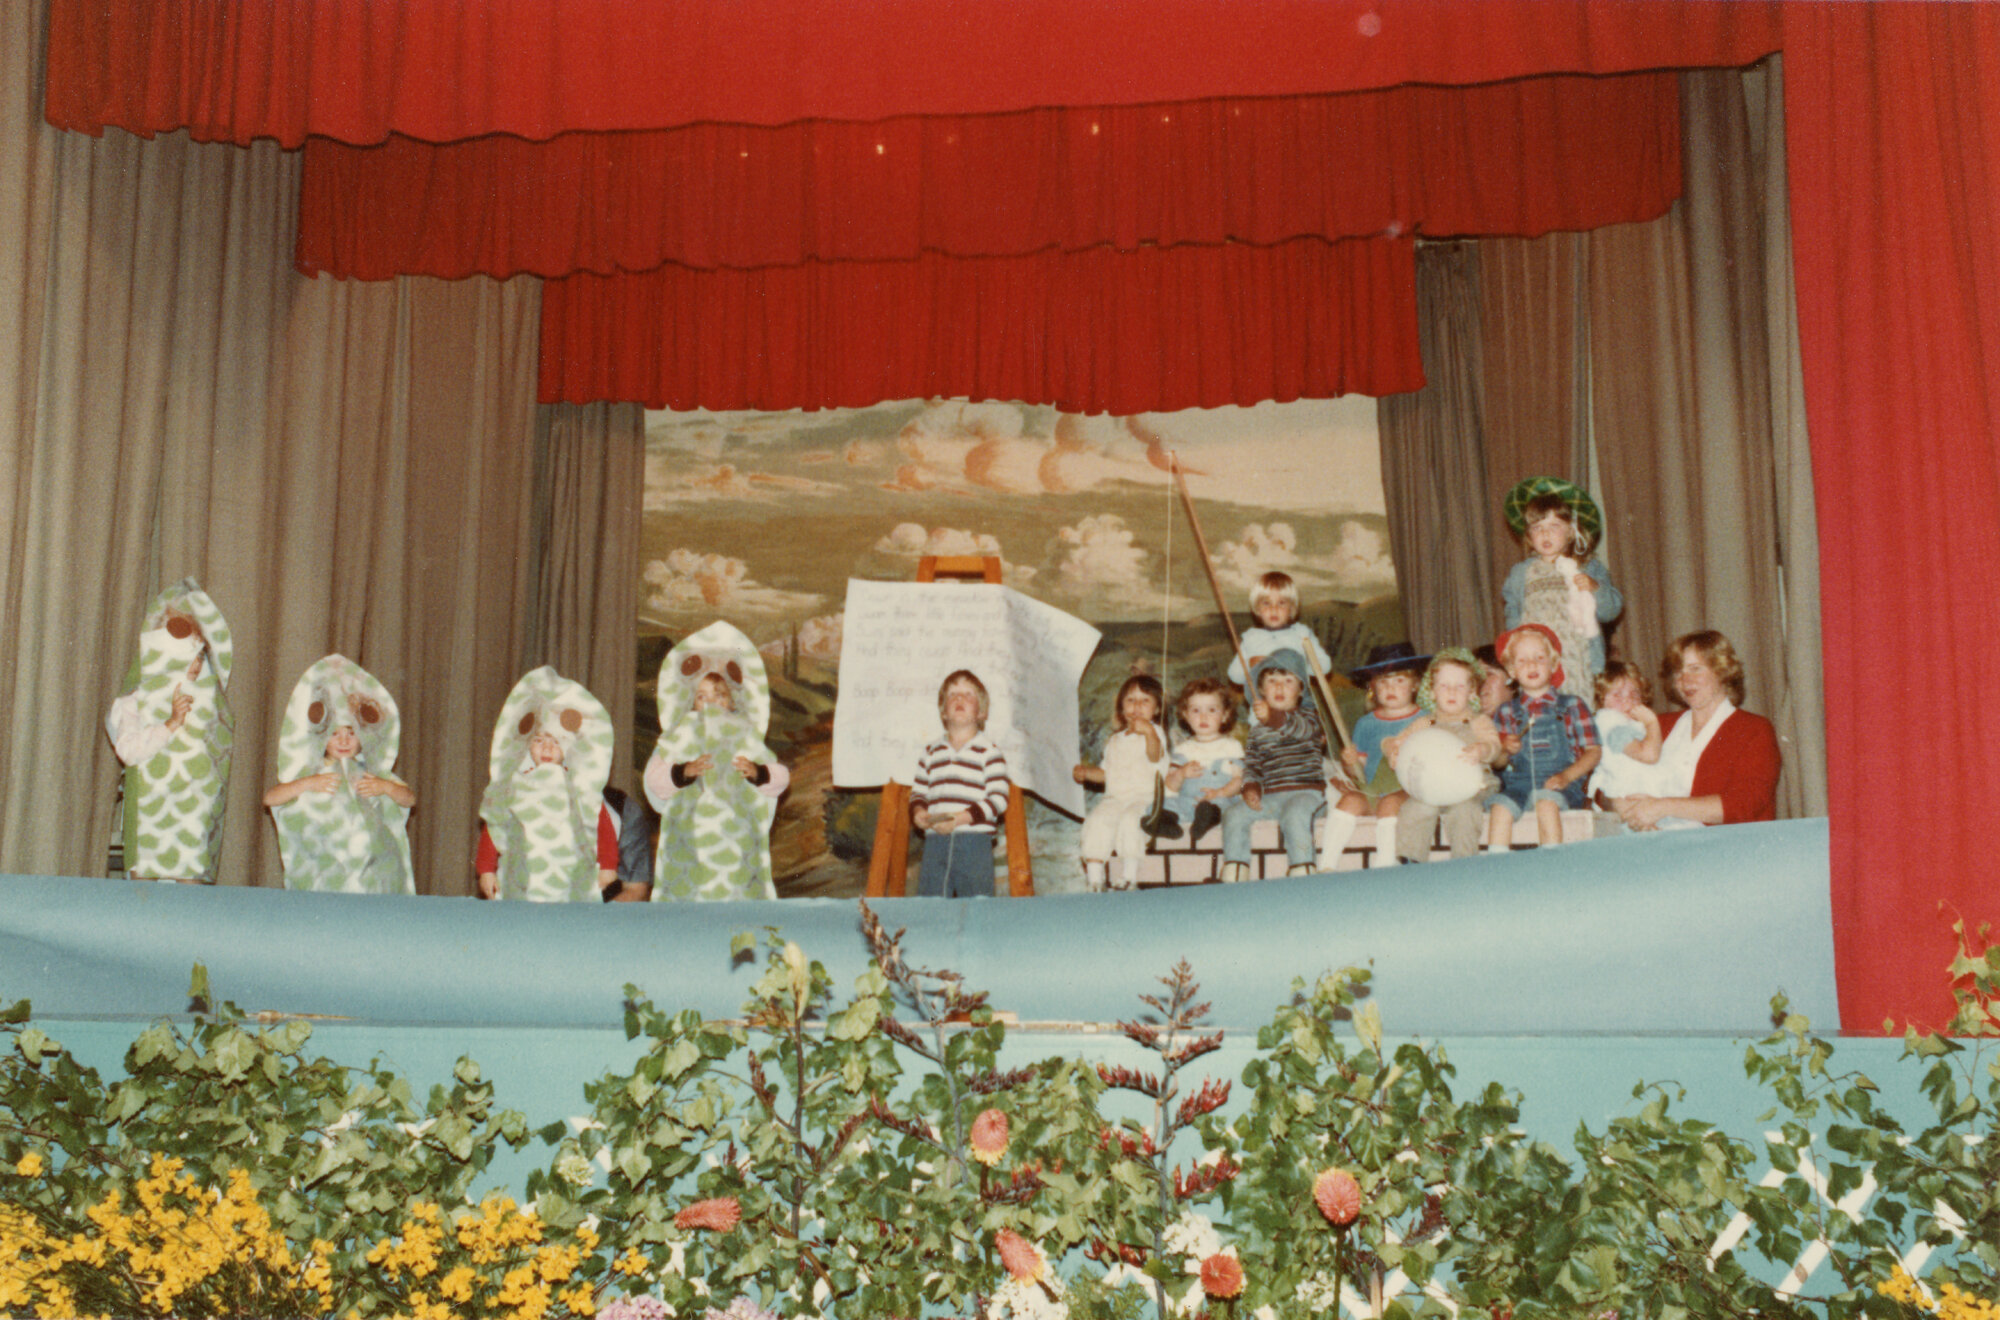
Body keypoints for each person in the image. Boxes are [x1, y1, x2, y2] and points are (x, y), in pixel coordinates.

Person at [645, 624, 789, 901]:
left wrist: (758, 773)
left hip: (735, 840)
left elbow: (781, 777)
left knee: (736, 896)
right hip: (689, 840)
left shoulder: (743, 734)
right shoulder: (680, 736)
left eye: (720, 695)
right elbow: (654, 782)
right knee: (689, 895)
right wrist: (681, 773)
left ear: (732, 702)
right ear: (690, 702)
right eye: (702, 696)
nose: (711, 703)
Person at [106, 578, 235, 883]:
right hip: (150, 826)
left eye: (200, 656)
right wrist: (169, 724)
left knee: (189, 889)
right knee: (144, 891)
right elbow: (128, 750)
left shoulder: (209, 705)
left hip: (191, 822)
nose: (193, 665)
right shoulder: (133, 701)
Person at [263, 654, 416, 894]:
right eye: (335, 734)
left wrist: (386, 788)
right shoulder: (312, 770)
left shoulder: (371, 772)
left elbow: (409, 799)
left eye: (351, 733)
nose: (344, 741)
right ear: (321, 735)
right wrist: (307, 783)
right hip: (325, 873)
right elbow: (271, 798)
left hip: (370, 875)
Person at [1612, 630, 1781, 831]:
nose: (1685, 680)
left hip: (1727, 850)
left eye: (1695, 669)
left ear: (1722, 671)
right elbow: (1609, 774)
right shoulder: (1658, 725)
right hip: (1655, 844)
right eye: (1678, 671)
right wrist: (1633, 814)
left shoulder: (1754, 729)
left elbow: (1744, 804)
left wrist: (1662, 807)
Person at [477, 666, 618, 901]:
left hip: (571, 878)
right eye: (539, 740)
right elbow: (494, 826)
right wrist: (486, 869)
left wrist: (608, 865)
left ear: (569, 749)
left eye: (555, 742)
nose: (546, 747)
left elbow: (602, 826)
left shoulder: (581, 789)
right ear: (526, 746)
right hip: (521, 876)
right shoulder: (514, 786)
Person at [1501, 476, 1623, 702]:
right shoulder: (1521, 573)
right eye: (1537, 528)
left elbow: (1611, 610)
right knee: (1539, 715)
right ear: (1528, 535)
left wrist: (1595, 589)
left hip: (1577, 661)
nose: (1545, 534)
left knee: (1576, 716)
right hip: (1536, 663)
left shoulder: (1587, 567)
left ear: (1571, 531)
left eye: (1555, 526)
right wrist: (1515, 648)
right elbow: (1513, 613)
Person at [1486, 624, 1600, 850]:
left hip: (1560, 786)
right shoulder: (1505, 712)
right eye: (1522, 660)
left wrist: (1566, 776)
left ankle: (1552, 865)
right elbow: (1496, 763)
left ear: (1554, 664)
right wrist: (1504, 751)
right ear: (1511, 671)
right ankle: (1495, 867)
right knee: (1499, 810)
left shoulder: (1572, 705)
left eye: (1539, 657)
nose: (1531, 664)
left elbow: (1594, 752)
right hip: (1518, 786)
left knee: (1546, 804)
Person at [1320, 643, 1424, 871]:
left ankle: (1385, 864)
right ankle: (1326, 865)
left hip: (1409, 790)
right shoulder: (1366, 723)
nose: (1391, 688)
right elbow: (1361, 770)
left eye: (1399, 680)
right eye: (1383, 681)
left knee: (1388, 803)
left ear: (1415, 684)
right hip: (1373, 789)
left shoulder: (1425, 719)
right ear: (1373, 686)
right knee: (1349, 801)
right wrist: (1350, 762)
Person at [1221, 650, 1324, 881]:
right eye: (1271, 681)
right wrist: (1250, 788)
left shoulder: (1309, 718)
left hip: (1307, 793)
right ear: (1261, 691)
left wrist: (1273, 717)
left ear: (1300, 690)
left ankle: (1302, 866)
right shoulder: (1258, 731)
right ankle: (1236, 867)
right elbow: (1253, 764)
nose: (1279, 687)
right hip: (1271, 797)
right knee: (1234, 814)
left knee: (1295, 814)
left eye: (1288, 681)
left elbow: (1301, 731)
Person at [1391, 649, 1501, 863]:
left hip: (1472, 787)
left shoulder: (1478, 721)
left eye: (1460, 686)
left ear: (1472, 693)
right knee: (1414, 808)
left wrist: (1482, 750)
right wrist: (1396, 753)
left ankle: (1464, 860)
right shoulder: (1425, 723)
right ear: (1432, 692)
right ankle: (1410, 858)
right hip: (1432, 787)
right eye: (1444, 686)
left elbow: (1494, 746)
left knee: (1465, 811)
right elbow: (1402, 742)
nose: (1452, 692)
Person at [910, 669, 1009, 898]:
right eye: (953, 694)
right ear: (943, 711)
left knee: (977, 905)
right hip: (935, 842)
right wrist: (918, 813)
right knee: (931, 905)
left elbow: (998, 800)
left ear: (982, 712)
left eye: (968, 694)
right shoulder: (930, 752)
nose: (959, 698)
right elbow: (919, 793)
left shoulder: (989, 752)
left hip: (974, 843)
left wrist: (959, 819)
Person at [1073, 674, 1168, 891]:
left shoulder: (1156, 733)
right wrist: (1087, 773)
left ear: (1157, 709)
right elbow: (1106, 773)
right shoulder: (1115, 740)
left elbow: (1155, 756)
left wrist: (1149, 732)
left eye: (1145, 701)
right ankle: (1095, 879)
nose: (1137, 706)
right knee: (1097, 821)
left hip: (1143, 798)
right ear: (1121, 707)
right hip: (1115, 797)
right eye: (1130, 700)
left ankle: (1129, 877)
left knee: (1130, 822)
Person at [1145, 677, 1245, 847]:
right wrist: (1181, 773)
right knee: (1159, 804)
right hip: (1188, 801)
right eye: (1196, 710)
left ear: (1225, 715)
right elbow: (1170, 785)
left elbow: (1239, 780)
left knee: (1226, 807)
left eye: (1212, 710)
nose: (1203, 716)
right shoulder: (1182, 750)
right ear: (1185, 714)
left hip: (1220, 798)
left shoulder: (1232, 747)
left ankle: (1208, 817)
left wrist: (1220, 792)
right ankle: (1166, 823)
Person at [1226, 571, 1333, 703]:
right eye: (1266, 603)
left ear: (1292, 608)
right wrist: (1252, 665)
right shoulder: (1251, 638)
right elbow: (1235, 676)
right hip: (1263, 711)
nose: (1274, 609)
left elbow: (1324, 667)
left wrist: (1298, 665)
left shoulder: (1301, 633)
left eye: (1281, 603)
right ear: (1257, 609)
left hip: (1296, 708)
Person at [1585, 660, 1673, 807]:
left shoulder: (1633, 724)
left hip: (1643, 799)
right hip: (1627, 798)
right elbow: (1649, 756)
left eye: (1634, 693)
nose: (1627, 700)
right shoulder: (1610, 724)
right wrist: (1652, 723)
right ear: (1602, 700)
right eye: (1617, 695)